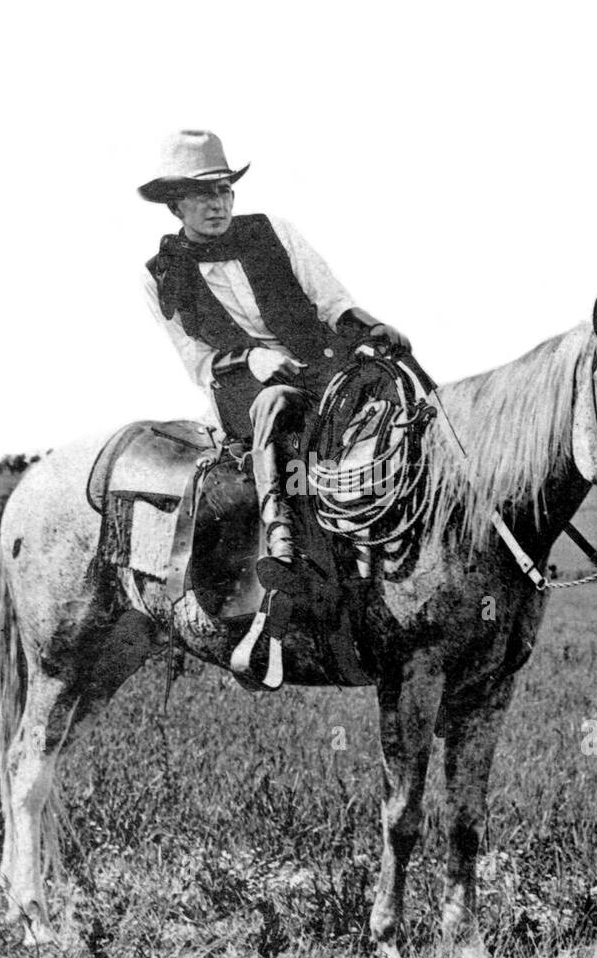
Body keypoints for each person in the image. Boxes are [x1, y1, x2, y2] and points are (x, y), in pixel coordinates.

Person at [139, 130, 411, 603]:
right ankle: (282, 538)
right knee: (278, 401)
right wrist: (252, 357)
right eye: (202, 194)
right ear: (175, 206)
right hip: (243, 390)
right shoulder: (160, 276)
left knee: (399, 386)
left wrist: (373, 326)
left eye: (224, 190)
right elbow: (197, 361)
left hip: (321, 369)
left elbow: (331, 302)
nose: (216, 203)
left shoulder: (274, 233)